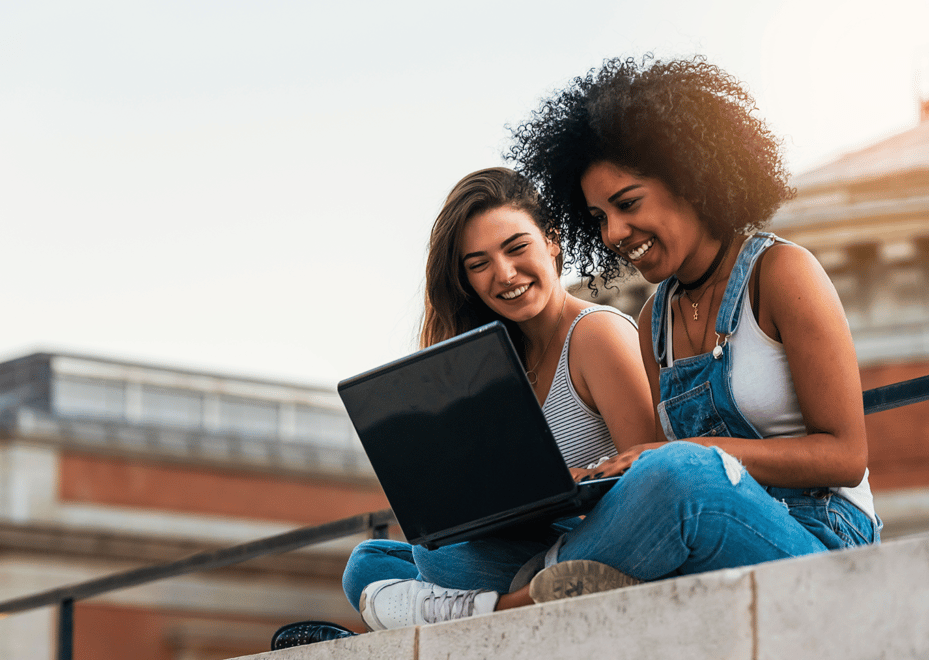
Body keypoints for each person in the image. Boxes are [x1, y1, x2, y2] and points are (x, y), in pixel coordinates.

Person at [498, 56, 879, 597]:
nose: (613, 233)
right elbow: (655, 480)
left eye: (627, 204)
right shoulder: (653, 319)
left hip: (821, 535)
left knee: (682, 474)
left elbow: (845, 456)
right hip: (705, 537)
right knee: (398, 557)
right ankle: (536, 579)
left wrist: (690, 455)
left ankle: (518, 595)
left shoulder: (781, 274)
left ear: (692, 181)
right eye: (599, 217)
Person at [340, 167, 656, 631]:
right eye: (479, 263)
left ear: (552, 240)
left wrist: (567, 482)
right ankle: (500, 608)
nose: (504, 274)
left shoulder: (598, 334)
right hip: (519, 547)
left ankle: (461, 609)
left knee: (444, 566)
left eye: (516, 247)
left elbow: (651, 476)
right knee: (366, 563)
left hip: (592, 543)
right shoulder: (492, 360)